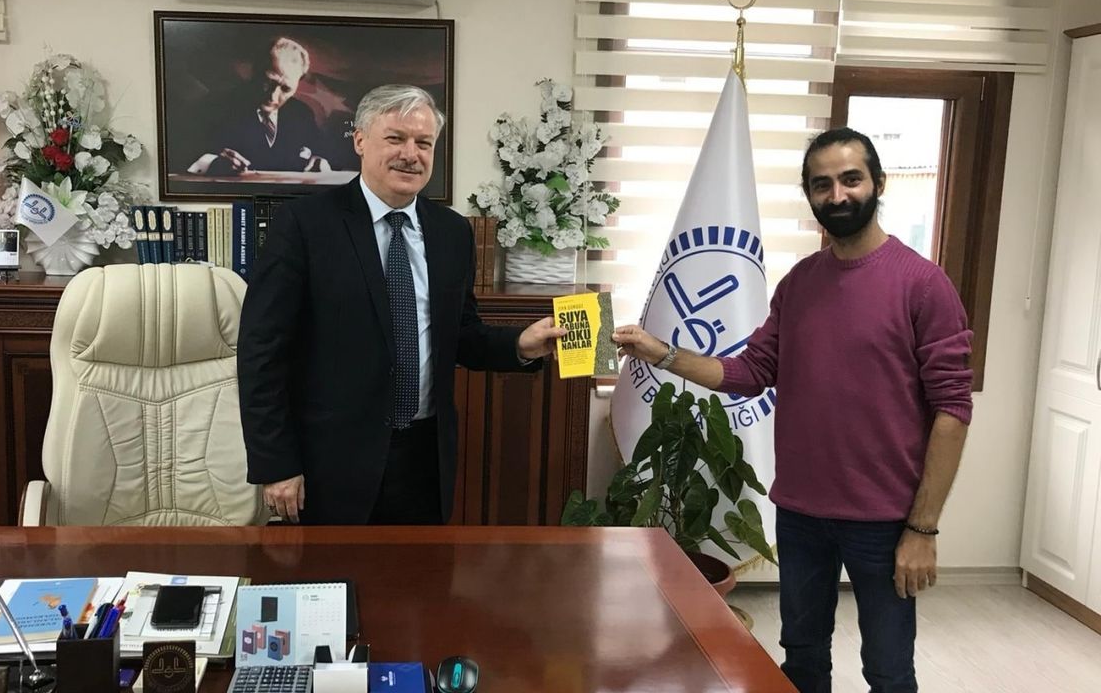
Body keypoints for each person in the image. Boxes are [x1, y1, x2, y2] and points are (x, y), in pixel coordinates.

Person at [613, 127, 972, 693]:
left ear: (878, 183)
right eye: (822, 184)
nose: (837, 195)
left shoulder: (923, 285)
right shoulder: (800, 283)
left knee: (888, 671)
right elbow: (750, 372)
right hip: (802, 514)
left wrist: (922, 528)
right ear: (809, 195)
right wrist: (660, 352)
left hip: (884, 521)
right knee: (801, 659)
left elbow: (952, 409)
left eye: (851, 179)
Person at [238, 84, 565, 526]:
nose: (411, 154)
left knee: (420, 572)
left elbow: (461, 334)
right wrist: (276, 463)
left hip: (424, 459)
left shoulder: (452, 233)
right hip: (329, 463)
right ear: (359, 140)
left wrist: (521, 345)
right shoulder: (304, 225)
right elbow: (261, 352)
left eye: (423, 143)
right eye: (395, 138)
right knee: (332, 573)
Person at [188, 36, 331, 175]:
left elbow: (326, 153)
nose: (273, 96)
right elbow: (182, 152)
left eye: (286, 89)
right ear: (254, 71)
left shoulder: (301, 114)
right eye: (268, 82)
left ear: (298, 83)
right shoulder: (215, 106)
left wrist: (320, 160)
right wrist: (212, 163)